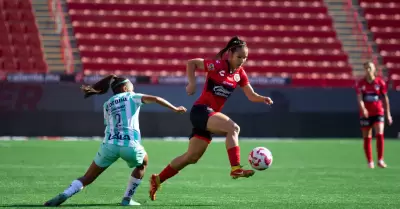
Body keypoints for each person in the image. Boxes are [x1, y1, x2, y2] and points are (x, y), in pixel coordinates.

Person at [149, 36, 274, 201]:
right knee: (233, 128)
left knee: (191, 157)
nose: (242, 61)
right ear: (230, 54)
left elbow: (251, 95)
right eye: (239, 57)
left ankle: (157, 179)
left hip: (208, 116)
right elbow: (192, 63)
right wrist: (192, 83)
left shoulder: (240, 74)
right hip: (201, 111)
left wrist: (262, 98)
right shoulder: (218, 65)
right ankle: (235, 167)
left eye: (245, 58)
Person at [44, 75, 187, 206]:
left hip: (109, 144)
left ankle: (66, 193)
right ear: (125, 88)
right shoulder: (132, 96)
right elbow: (155, 99)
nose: (133, 87)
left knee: (88, 177)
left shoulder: (107, 104)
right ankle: (127, 199)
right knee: (143, 163)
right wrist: (174, 108)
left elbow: (108, 124)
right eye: (131, 85)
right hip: (129, 143)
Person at [356, 61, 393, 169]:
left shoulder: (380, 82)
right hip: (366, 114)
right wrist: (363, 109)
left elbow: (385, 98)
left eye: (370, 68)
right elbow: (360, 98)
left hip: (378, 111)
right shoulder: (361, 83)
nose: (368, 70)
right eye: (366, 68)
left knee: (379, 133)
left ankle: (380, 159)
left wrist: (388, 114)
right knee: (367, 137)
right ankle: (370, 161)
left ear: (374, 69)